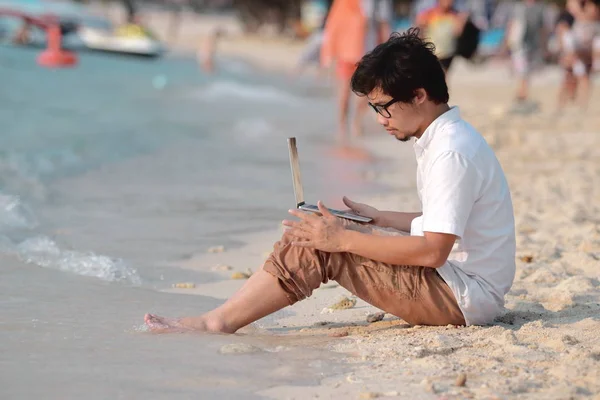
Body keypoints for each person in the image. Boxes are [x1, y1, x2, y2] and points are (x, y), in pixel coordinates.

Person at [144, 29, 517, 334]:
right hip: (458, 284)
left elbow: (433, 250)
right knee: (318, 231)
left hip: (460, 298)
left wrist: (342, 240)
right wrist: (380, 219)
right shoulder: (447, 137)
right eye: (373, 108)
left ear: (419, 96)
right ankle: (223, 316)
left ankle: (217, 322)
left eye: (383, 107)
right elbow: (449, 223)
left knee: (321, 244)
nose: (380, 119)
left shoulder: (450, 151)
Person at [320, 0, 392, 141]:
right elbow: (334, 23)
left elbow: (383, 23)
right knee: (346, 91)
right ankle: (345, 125)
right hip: (349, 51)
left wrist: (387, 49)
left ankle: (354, 123)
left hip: (367, 51)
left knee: (365, 92)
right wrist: (328, 53)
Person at [503, 0, 547, 107]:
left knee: (526, 71)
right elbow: (512, 24)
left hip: (532, 45)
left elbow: (542, 28)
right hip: (519, 44)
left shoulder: (539, 8)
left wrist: (543, 45)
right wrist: (507, 41)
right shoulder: (518, 7)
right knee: (522, 70)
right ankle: (522, 94)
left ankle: (522, 94)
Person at [560, 0, 600, 109]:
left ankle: (582, 103)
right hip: (579, 42)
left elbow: (592, 16)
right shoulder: (574, 5)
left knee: (584, 75)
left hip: (586, 42)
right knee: (572, 74)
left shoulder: (591, 5)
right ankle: (569, 102)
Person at [416, 0, 469, 73]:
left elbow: (458, 32)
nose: (448, 2)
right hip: (432, 53)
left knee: (442, 76)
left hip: (447, 53)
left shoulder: (455, 15)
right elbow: (420, 26)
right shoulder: (430, 14)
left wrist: (462, 20)